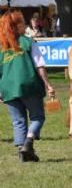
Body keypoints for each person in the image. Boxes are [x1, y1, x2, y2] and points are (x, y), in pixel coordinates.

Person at [0, 11, 55, 162]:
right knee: (38, 117)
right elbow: (40, 66)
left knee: (18, 121)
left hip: (8, 88)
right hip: (29, 85)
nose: (25, 24)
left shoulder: (1, 46)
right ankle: (28, 143)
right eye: (22, 22)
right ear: (16, 26)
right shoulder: (28, 42)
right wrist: (48, 84)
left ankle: (22, 152)